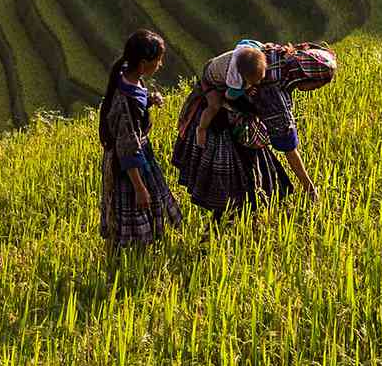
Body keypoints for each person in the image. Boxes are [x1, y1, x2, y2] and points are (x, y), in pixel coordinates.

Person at [170, 40, 338, 218]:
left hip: (225, 100)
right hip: (221, 120)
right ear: (306, 77)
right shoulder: (273, 93)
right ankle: (219, 232)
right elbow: (288, 145)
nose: (314, 90)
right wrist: (309, 186)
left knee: (254, 188)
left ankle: (235, 224)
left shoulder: (279, 55)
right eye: (317, 85)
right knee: (233, 193)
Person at [98, 29, 183, 247]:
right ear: (144, 64)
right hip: (129, 166)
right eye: (158, 60)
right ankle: (131, 254)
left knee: (147, 202)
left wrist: (149, 100)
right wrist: (139, 187)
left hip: (139, 155)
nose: (160, 65)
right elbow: (127, 148)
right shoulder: (127, 102)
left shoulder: (127, 75)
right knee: (139, 204)